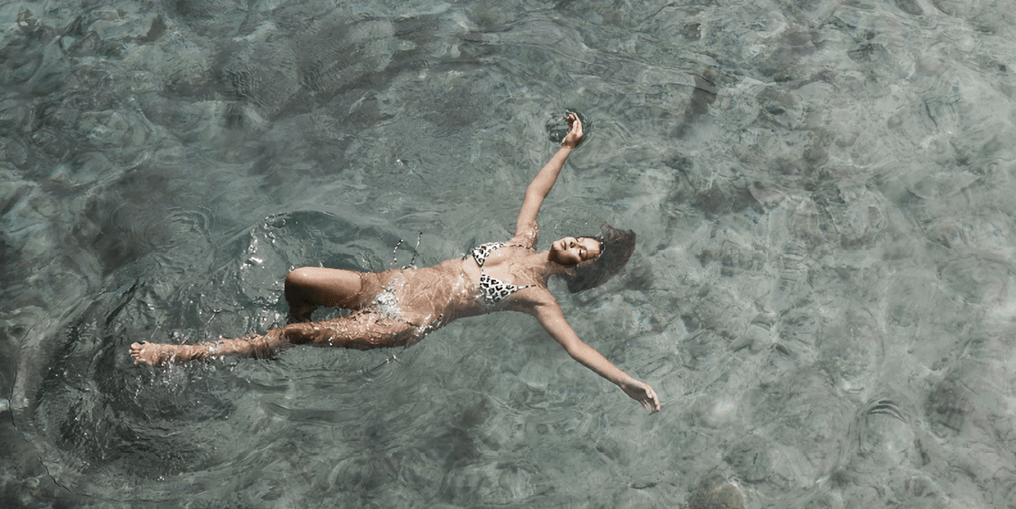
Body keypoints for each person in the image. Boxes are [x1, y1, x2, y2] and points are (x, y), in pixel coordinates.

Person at [129, 113, 660, 411]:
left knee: (289, 339)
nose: (574, 243)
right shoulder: (522, 240)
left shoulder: (537, 296)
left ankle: (181, 353)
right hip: (385, 284)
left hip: (402, 321)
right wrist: (569, 145)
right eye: (581, 239)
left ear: (575, 271)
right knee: (299, 279)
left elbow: (575, 347)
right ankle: (286, 333)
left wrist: (626, 381)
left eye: (583, 253)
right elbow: (536, 190)